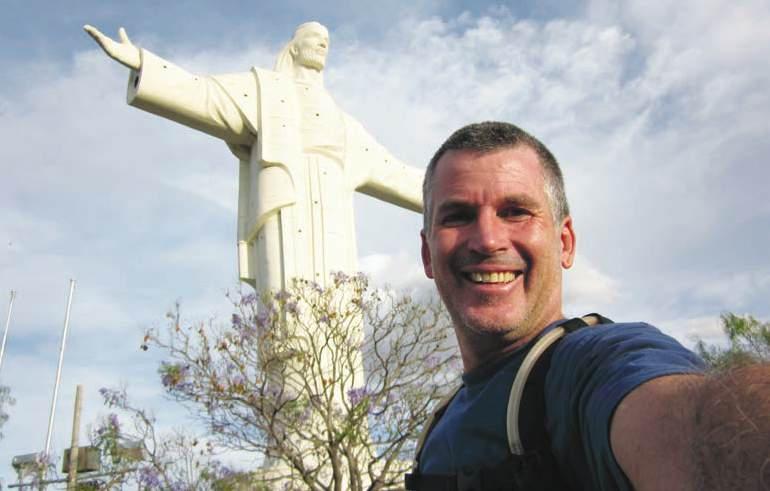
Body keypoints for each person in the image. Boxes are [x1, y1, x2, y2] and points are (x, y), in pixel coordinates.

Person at [413, 121, 769, 490]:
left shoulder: (591, 365)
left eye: (516, 211)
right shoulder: (438, 427)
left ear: (565, 243)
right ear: (427, 254)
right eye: (458, 216)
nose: (488, 240)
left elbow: (701, 429)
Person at [84, 22, 423, 293]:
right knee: (288, 308)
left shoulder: (345, 125)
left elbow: (399, 174)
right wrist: (143, 63)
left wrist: (457, 181)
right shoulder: (266, 92)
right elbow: (205, 94)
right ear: (293, 48)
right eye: (314, 36)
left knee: (340, 313)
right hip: (287, 209)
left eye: (327, 40)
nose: (323, 43)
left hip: (335, 218)